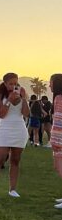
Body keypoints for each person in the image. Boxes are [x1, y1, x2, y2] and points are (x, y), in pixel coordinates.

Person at [49, 75, 62, 208]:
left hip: (60, 139)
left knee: (59, 168)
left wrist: (55, 140)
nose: (49, 85)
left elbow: (58, 120)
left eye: (50, 82)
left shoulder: (58, 99)